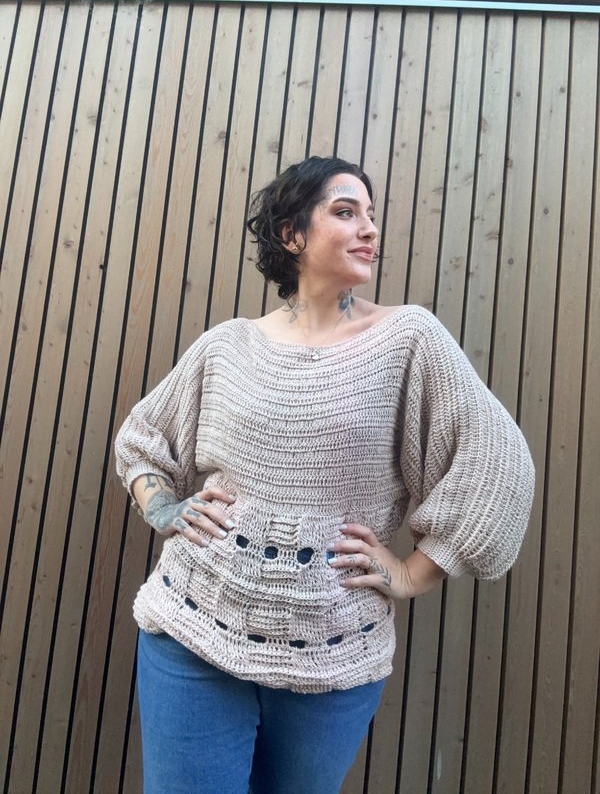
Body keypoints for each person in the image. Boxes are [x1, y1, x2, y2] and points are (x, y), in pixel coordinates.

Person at [114, 156, 534, 794]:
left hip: (332, 655)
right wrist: (164, 508)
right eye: (345, 211)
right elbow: (143, 440)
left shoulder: (408, 339)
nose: (369, 228)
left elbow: (496, 462)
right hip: (193, 630)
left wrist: (413, 573)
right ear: (292, 234)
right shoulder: (228, 345)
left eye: (371, 214)